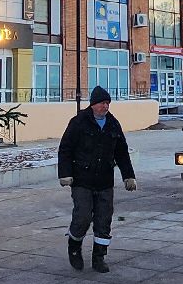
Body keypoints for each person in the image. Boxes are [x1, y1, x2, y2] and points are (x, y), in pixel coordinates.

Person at [58, 86, 136, 272]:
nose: (105, 106)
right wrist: (65, 174)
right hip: (82, 180)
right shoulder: (79, 122)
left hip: (104, 181)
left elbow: (122, 152)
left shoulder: (113, 124)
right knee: (83, 217)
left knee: (103, 220)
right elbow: (65, 149)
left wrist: (129, 176)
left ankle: (99, 257)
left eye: (107, 103)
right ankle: (74, 247)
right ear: (93, 104)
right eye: (102, 103)